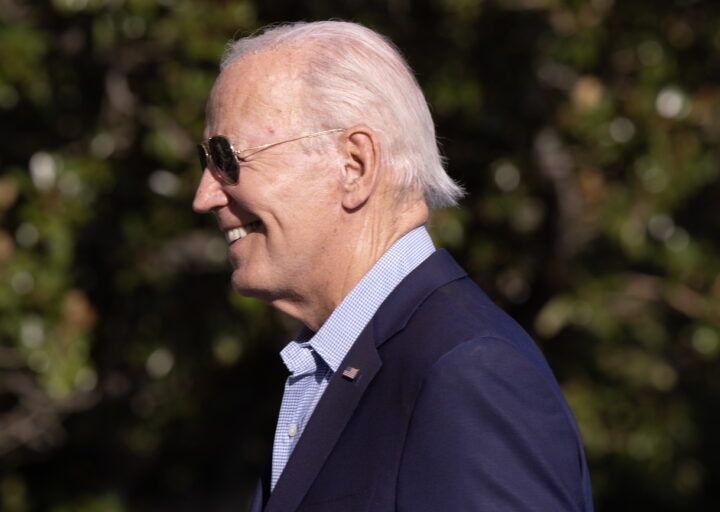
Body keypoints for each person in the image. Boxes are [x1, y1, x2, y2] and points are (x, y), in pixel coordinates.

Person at [193, 20, 594, 512]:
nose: (205, 196)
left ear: (354, 165)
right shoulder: (336, 364)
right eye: (205, 161)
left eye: (227, 158)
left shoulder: (468, 374)